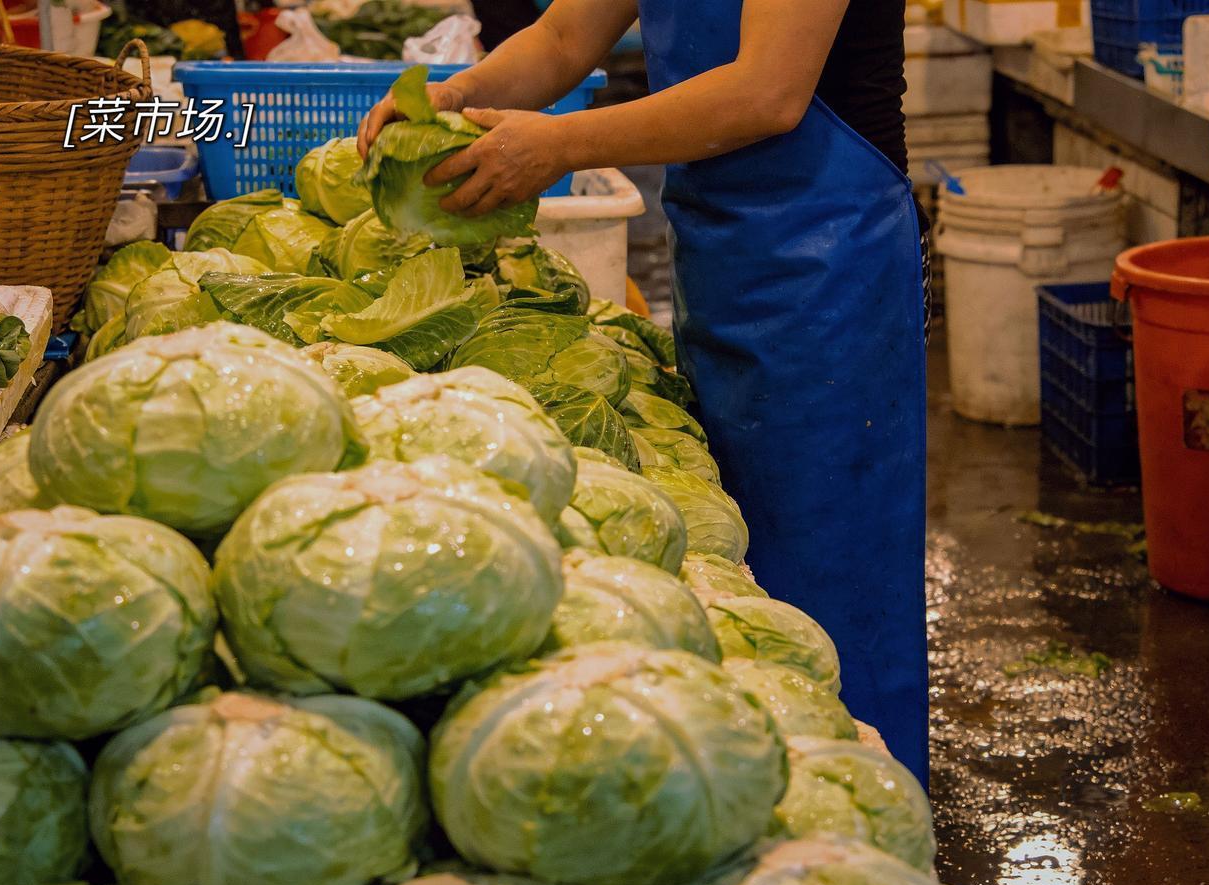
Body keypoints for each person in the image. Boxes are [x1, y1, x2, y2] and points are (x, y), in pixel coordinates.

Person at [358, 0, 929, 783]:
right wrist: (454, 95)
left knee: (832, 569)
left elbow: (768, 93)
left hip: (830, 263)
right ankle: (754, 814)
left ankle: (870, 816)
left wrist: (558, 143)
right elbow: (562, 39)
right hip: (725, 251)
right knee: (745, 571)